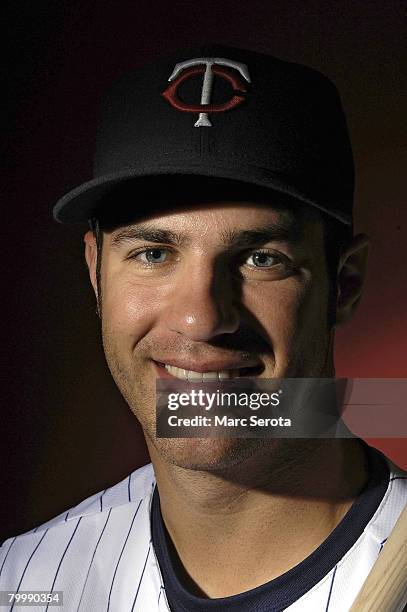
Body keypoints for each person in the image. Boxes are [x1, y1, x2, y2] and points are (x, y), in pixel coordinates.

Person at [1, 44, 406, 612]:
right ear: (95, 273)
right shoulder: (21, 578)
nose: (201, 318)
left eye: (260, 258)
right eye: (152, 254)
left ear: (346, 282)